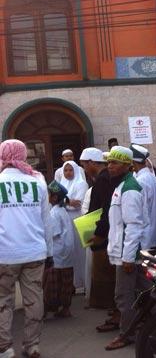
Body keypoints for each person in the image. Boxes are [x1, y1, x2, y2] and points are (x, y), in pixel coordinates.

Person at [0, 140, 52, 358]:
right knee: (34, 300)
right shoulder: (37, 182)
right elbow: (46, 220)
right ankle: (32, 345)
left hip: (4, 253)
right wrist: (49, 252)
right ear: (23, 155)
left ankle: (5, 347)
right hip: (34, 251)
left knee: (3, 301)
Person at [104, 146, 147, 351]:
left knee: (124, 296)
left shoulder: (129, 189)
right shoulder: (122, 186)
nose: (110, 166)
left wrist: (128, 258)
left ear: (127, 166)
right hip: (125, 252)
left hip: (127, 254)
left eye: (115, 163)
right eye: (109, 162)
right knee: (147, 291)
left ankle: (126, 334)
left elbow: (134, 225)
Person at [80, 148, 119, 320]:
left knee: (106, 277)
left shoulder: (103, 180)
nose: (84, 169)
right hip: (105, 233)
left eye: (84, 165)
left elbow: (105, 210)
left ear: (92, 163)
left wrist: (99, 234)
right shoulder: (103, 179)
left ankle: (116, 315)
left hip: (104, 236)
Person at [44, 181, 75, 318]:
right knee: (66, 282)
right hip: (66, 252)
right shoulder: (62, 210)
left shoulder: (54, 213)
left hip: (57, 252)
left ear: (54, 197)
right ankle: (65, 308)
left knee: (53, 283)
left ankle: (48, 308)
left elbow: (53, 234)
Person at [130, 144, 156, 250]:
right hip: (155, 234)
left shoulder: (140, 181)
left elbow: (140, 211)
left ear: (133, 162)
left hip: (147, 236)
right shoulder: (151, 177)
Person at [59, 160, 88, 292]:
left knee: (79, 251)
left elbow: (78, 204)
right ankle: (71, 283)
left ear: (76, 171)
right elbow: (55, 201)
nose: (68, 173)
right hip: (65, 221)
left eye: (70, 170)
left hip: (77, 220)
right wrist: (68, 202)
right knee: (69, 251)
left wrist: (63, 202)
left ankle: (81, 283)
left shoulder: (81, 183)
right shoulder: (62, 184)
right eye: (65, 170)